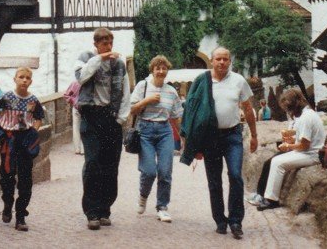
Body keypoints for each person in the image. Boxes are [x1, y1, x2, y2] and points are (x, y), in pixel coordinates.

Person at [182, 47, 257, 239]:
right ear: (212, 61)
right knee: (214, 181)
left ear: (230, 61)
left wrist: (254, 135)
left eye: (225, 59)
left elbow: (248, 109)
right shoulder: (202, 81)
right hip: (210, 138)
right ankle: (220, 221)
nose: (222, 62)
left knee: (235, 176)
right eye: (218, 59)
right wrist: (194, 144)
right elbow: (192, 112)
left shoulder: (238, 80)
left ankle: (236, 221)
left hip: (232, 135)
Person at [74, 27, 131, 230]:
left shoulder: (119, 64)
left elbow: (125, 91)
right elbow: (81, 77)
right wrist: (99, 58)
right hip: (91, 116)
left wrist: (121, 119)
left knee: (110, 165)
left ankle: (105, 209)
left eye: (110, 43)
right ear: (96, 44)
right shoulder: (85, 58)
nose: (108, 46)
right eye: (104, 43)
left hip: (111, 117)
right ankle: (92, 212)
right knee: (93, 163)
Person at [128, 55, 183, 223]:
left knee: (165, 171)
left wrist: (183, 137)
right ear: (152, 70)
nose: (160, 71)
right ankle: (143, 196)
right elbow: (132, 109)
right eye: (157, 68)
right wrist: (147, 100)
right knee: (149, 171)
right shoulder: (142, 86)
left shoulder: (171, 91)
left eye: (164, 68)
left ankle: (162, 207)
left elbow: (177, 117)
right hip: (145, 131)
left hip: (165, 132)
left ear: (167, 71)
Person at [0, 67, 44, 232]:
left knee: (26, 180)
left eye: (27, 78)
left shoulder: (33, 100)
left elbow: (39, 117)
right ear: (15, 79)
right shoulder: (7, 97)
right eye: (21, 77)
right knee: (7, 176)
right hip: (9, 140)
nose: (24, 80)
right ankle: (7, 204)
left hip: (25, 140)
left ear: (31, 81)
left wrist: (33, 132)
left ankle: (21, 216)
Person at [257, 88, 325, 210]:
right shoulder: (308, 113)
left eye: (289, 110)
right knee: (275, 160)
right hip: (310, 151)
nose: (289, 113)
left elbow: (304, 145)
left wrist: (288, 146)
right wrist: (292, 140)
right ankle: (269, 197)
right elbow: (303, 139)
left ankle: (272, 200)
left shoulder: (305, 118)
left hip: (312, 154)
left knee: (277, 163)